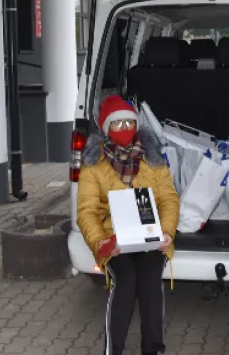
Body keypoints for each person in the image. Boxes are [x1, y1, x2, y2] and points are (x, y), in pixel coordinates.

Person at [77, 96, 180, 355]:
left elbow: (168, 199)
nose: (124, 129)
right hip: (114, 239)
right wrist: (99, 240)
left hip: (149, 236)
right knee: (127, 280)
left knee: (149, 281)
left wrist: (167, 231)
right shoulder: (94, 166)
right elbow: (86, 211)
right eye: (117, 123)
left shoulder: (153, 160)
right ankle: (114, 350)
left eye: (129, 122)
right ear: (106, 128)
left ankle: (153, 349)